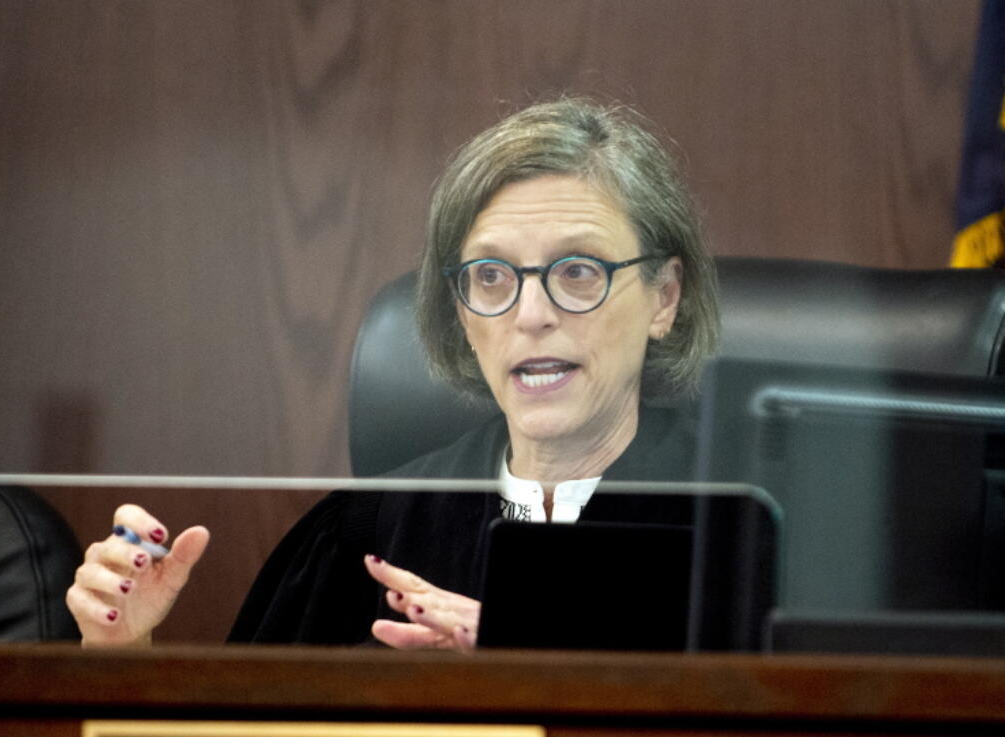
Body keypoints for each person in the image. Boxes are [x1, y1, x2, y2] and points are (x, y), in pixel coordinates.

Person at [65, 96, 720, 652]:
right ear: (461, 311)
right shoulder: (369, 530)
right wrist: (125, 656)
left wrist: (523, 661)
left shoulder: (744, 523)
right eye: (491, 276)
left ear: (664, 297)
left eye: (578, 271)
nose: (531, 314)